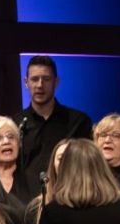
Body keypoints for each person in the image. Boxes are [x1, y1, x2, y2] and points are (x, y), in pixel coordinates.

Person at [14, 54, 92, 198]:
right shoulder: (15, 123)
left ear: (56, 82)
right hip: (24, 203)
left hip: (69, 199)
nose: (40, 85)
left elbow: (87, 166)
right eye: (34, 79)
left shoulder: (78, 121)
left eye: (46, 79)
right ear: (26, 82)